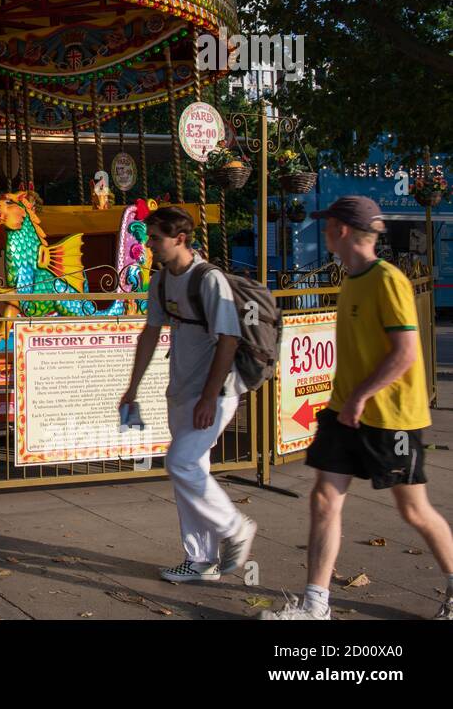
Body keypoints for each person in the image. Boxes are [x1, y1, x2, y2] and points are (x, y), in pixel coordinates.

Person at [262, 196, 453, 620]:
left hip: (391, 417)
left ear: (342, 230)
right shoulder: (352, 277)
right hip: (345, 411)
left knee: (414, 510)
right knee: (324, 499)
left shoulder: (388, 280)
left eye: (327, 224)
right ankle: (315, 606)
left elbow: (405, 353)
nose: (324, 230)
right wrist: (349, 400)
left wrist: (362, 396)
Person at [121, 206, 258, 583]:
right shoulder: (162, 281)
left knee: (180, 462)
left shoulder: (209, 279)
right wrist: (132, 388)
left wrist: (209, 398)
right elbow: (150, 334)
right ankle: (200, 559)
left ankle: (234, 527)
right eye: (148, 239)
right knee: (190, 472)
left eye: (156, 239)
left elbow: (228, 340)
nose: (150, 246)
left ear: (180, 238)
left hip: (216, 390)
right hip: (181, 389)